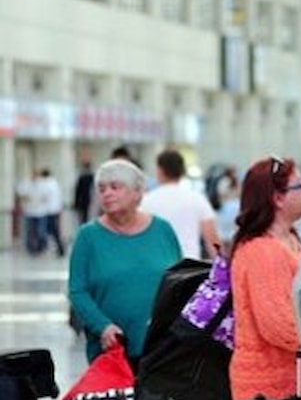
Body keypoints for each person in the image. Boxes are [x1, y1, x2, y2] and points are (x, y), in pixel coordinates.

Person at [67, 159, 181, 367]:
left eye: (115, 187)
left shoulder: (162, 230)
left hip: (162, 349)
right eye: (102, 189)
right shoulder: (88, 236)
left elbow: (180, 282)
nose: (107, 194)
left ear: (137, 192)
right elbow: (77, 291)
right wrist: (102, 326)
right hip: (111, 349)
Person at [227, 157, 301, 400]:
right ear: (278, 198)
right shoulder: (262, 250)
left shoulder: (288, 240)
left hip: (294, 380)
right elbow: (279, 326)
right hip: (270, 391)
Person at [140, 149, 219, 259]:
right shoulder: (197, 199)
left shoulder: (146, 201)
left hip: (157, 262)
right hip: (189, 263)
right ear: (182, 171)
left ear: (160, 171)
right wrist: (221, 265)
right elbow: (212, 240)